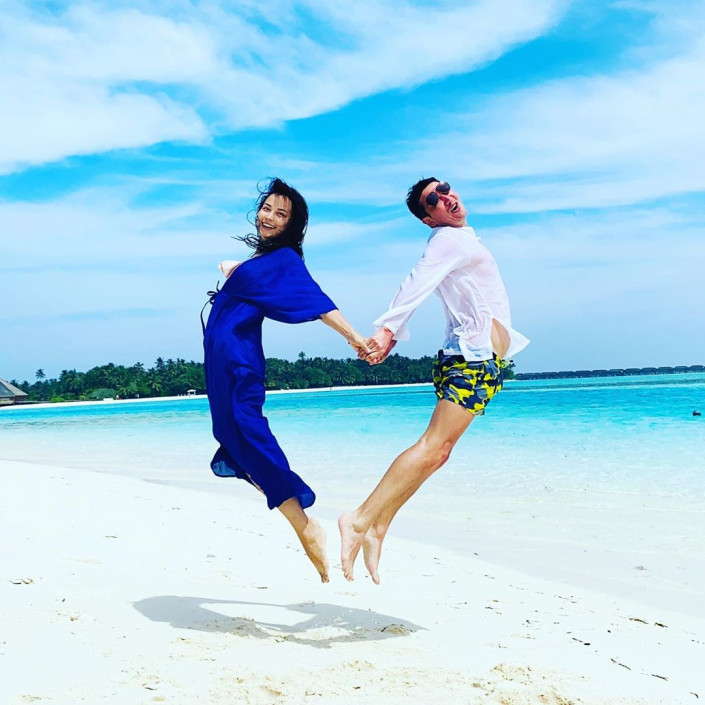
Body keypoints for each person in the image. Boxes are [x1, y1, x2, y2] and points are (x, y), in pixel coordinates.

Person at [339, 178, 529, 584]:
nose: (445, 197)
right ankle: (358, 519)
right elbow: (416, 283)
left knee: (439, 454)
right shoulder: (447, 240)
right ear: (429, 218)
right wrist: (387, 331)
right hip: (470, 359)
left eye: (444, 188)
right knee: (432, 448)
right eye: (434, 199)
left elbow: (427, 285)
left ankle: (378, 526)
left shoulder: (461, 239)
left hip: (478, 361)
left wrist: (392, 333)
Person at [203, 177, 369, 583]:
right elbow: (248, 281)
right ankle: (299, 520)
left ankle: (304, 525)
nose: (269, 217)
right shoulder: (263, 260)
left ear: (291, 224)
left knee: (247, 430)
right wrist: (236, 268)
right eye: (266, 209)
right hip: (218, 364)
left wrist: (354, 337)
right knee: (230, 434)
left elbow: (317, 302)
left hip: (239, 361)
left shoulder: (285, 261)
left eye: (281, 214)